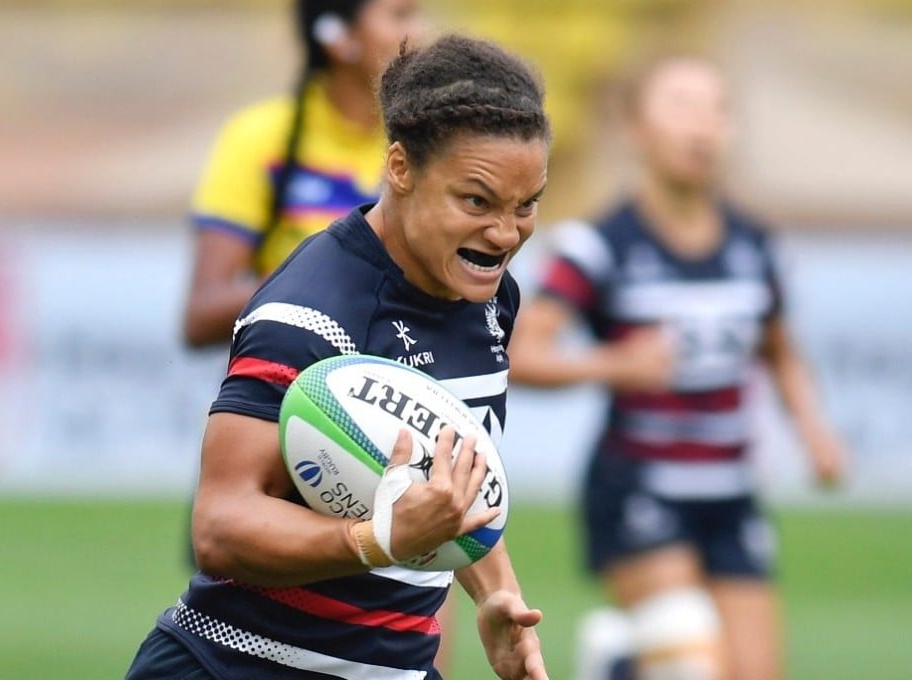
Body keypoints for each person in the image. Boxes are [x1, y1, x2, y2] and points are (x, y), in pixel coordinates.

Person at [127, 34, 552, 680]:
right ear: (400, 168)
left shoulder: (490, 298)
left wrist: (497, 593)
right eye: (476, 201)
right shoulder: (309, 312)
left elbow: (450, 479)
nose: (504, 233)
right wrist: (376, 539)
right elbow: (220, 522)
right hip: (240, 663)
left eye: (527, 205)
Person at [507, 55, 847, 680]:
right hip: (638, 485)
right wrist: (615, 364)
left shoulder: (757, 246)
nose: (702, 126)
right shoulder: (600, 245)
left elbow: (779, 350)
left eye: (717, 109)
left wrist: (814, 432)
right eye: (681, 106)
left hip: (730, 493)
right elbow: (521, 355)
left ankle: (622, 659)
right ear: (636, 128)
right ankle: (632, 657)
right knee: (691, 654)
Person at [182, 0, 424, 348]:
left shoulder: (429, 141)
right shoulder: (260, 137)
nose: (420, 32)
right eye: (400, 16)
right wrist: (320, 280)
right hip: (294, 370)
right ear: (340, 38)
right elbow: (202, 316)